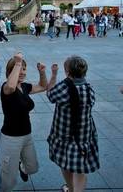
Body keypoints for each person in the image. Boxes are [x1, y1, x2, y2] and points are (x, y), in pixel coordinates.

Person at [47, 56, 100, 192]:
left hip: (64, 134)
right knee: (80, 168)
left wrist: (53, 75)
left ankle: (71, 189)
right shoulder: (88, 88)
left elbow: (50, 95)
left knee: (66, 164)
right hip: (83, 134)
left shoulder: (64, 88)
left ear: (67, 72)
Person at [0, 53, 48, 192]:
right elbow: (11, 87)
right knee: (8, 178)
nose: (22, 72)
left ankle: (22, 167)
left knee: (32, 167)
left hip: (27, 134)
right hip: (10, 138)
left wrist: (42, 72)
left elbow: (43, 86)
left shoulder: (25, 87)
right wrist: (18, 62)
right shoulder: (6, 88)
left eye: (24, 69)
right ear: (10, 71)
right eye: (18, 69)